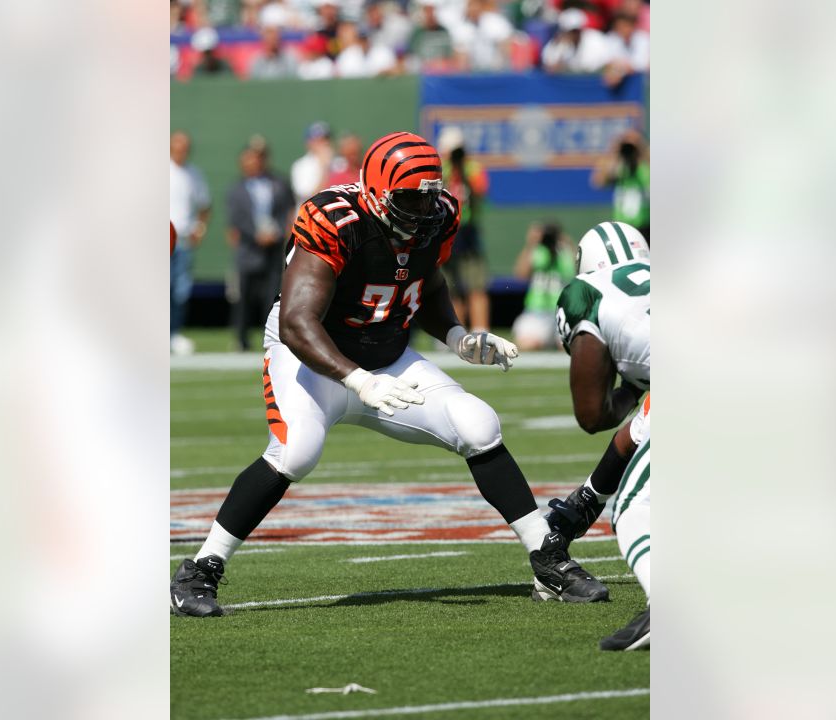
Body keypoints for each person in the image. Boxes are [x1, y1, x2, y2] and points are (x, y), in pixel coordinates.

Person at [171, 131, 609, 617]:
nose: (421, 211)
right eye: (408, 199)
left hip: (388, 354)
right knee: (295, 452)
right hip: (314, 358)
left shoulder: (439, 215)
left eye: (427, 198)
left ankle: (548, 560)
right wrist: (358, 380)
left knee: (478, 423)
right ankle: (198, 570)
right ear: (376, 192)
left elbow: (426, 283)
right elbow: (298, 322)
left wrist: (459, 337)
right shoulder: (335, 220)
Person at [542, 220, 651, 650]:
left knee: (635, 507)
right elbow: (639, 432)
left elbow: (591, 414)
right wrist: (582, 505)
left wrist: (626, 389)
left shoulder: (586, 293)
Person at [226, 140, 294, 352]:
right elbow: (236, 218)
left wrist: (280, 232)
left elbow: (288, 211)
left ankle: (271, 337)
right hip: (249, 247)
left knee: (272, 295)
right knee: (244, 295)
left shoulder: (279, 183)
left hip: (273, 247)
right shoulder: (236, 189)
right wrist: (256, 234)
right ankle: (241, 338)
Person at [437, 126, 490, 330]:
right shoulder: (443, 169)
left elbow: (480, 190)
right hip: (447, 232)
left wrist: (462, 171)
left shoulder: (472, 168)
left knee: (476, 284)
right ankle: (456, 329)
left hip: (468, 231)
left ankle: (480, 329)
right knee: (451, 286)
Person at [169, 131, 212, 355]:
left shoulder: (193, 174)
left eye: (185, 146)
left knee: (180, 291)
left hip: (183, 240)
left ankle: (173, 334)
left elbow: (205, 205)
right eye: (177, 146)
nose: (181, 150)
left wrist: (199, 230)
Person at [511, 221, 576, 351]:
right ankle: (547, 339)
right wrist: (531, 244)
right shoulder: (536, 252)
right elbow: (520, 274)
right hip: (537, 312)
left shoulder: (565, 252)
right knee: (527, 343)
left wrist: (568, 243)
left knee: (569, 345)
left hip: (562, 312)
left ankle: (553, 340)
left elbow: (580, 270)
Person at [591, 129, 650, 240]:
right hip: (622, 226)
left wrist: (641, 151)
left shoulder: (644, 167)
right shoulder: (620, 167)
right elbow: (598, 181)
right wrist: (615, 151)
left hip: (645, 226)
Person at [540, 7, 614, 74]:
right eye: (569, 31)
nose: (572, 34)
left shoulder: (596, 39)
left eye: (575, 31)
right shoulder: (559, 43)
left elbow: (603, 64)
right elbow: (548, 64)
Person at [290, 121, 335, 206]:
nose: (324, 143)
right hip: (311, 215)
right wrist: (324, 169)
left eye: (326, 138)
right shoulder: (301, 166)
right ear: (309, 143)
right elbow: (309, 198)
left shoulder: (339, 163)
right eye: (319, 140)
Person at [602, 10, 650, 87]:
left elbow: (643, 64)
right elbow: (610, 62)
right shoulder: (612, 38)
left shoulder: (643, 39)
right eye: (618, 27)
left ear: (632, 26)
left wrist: (622, 68)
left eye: (624, 26)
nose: (621, 29)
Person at [406, 0, 456, 73]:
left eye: (432, 10)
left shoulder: (444, 31)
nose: (430, 14)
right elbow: (412, 57)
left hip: (442, 71)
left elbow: (450, 56)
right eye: (427, 11)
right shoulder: (417, 33)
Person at [249, 13, 300, 79]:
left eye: (275, 33)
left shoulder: (290, 58)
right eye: (269, 33)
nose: (273, 37)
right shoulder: (256, 60)